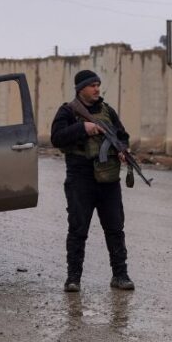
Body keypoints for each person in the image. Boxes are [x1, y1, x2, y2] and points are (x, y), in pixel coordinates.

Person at [50, 70, 135, 293]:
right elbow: (56, 138)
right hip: (80, 177)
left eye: (98, 84)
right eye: (92, 85)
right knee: (78, 229)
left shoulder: (107, 111)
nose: (97, 89)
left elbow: (122, 135)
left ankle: (120, 275)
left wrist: (123, 150)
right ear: (81, 89)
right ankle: (73, 279)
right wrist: (82, 128)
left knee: (115, 228)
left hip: (108, 178)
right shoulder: (68, 111)